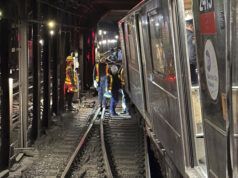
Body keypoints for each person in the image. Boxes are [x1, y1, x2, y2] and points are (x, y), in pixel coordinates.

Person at [186, 15, 198, 85]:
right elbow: (191, 51)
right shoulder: (191, 35)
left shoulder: (184, 34)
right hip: (192, 63)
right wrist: (195, 62)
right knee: (194, 83)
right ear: (191, 26)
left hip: (188, 62)